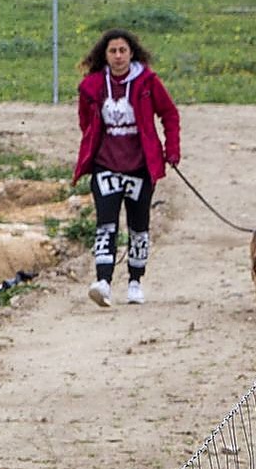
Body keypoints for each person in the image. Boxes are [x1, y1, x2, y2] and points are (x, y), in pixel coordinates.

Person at [73, 28, 180, 307]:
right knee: (105, 224)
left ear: (132, 53)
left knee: (138, 225)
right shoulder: (93, 85)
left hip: (140, 166)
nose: (118, 56)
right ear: (104, 55)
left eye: (123, 51)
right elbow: (86, 122)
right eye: (112, 51)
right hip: (105, 164)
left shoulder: (147, 82)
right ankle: (104, 282)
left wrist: (172, 149)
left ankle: (135, 281)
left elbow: (169, 113)